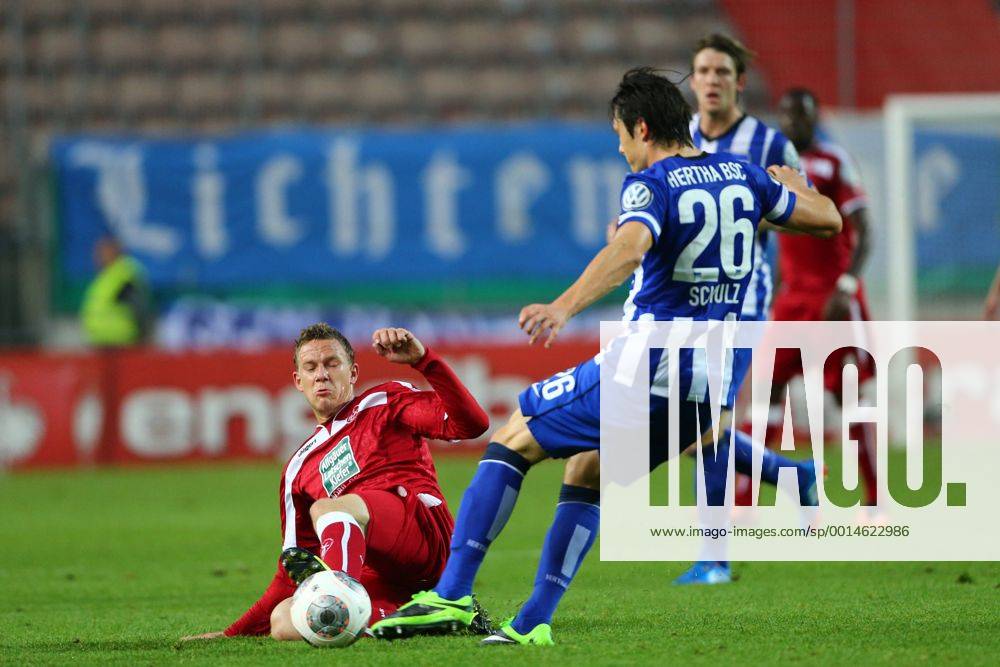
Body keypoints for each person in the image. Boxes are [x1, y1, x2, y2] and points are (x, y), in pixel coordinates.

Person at [370, 67, 841, 646]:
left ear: (642, 127)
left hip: (645, 369)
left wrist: (564, 305)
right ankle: (533, 621)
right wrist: (801, 188)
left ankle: (450, 597)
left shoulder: (654, 184)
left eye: (620, 134)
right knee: (586, 467)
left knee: (513, 437)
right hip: (705, 388)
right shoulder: (743, 176)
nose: (620, 148)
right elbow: (828, 219)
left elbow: (628, 246)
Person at [180, 324, 491, 642]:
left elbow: (471, 424)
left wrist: (425, 361)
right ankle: (423, 617)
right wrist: (232, 635)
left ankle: (341, 597)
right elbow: (290, 571)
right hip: (378, 577)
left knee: (330, 509)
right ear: (298, 382)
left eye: (332, 363)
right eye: (311, 368)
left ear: (353, 372)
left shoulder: (382, 402)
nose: (322, 375)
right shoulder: (297, 470)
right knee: (285, 620)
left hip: (425, 538)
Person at [675, 33, 814, 585]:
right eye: (702, 71)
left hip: (742, 303)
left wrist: (759, 216)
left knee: (706, 424)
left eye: (720, 72)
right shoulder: (676, 137)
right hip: (683, 304)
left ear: (739, 82)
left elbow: (807, 205)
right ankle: (792, 476)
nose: (710, 80)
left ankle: (713, 559)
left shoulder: (769, 143)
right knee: (686, 430)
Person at [773, 87, 879, 512]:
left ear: (814, 118)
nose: (793, 121)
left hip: (833, 296)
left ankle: (875, 500)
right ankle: (741, 503)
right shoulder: (776, 168)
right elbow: (778, 234)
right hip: (791, 301)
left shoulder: (835, 161)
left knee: (847, 395)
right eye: (787, 114)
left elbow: (866, 230)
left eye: (802, 114)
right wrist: (775, 287)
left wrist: (847, 285)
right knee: (768, 390)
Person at [80, 235, 152, 347]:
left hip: (122, 343)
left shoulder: (124, 276)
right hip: (102, 343)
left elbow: (139, 308)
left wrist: (142, 339)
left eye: (102, 252)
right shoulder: (106, 276)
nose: (97, 256)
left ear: (114, 252)